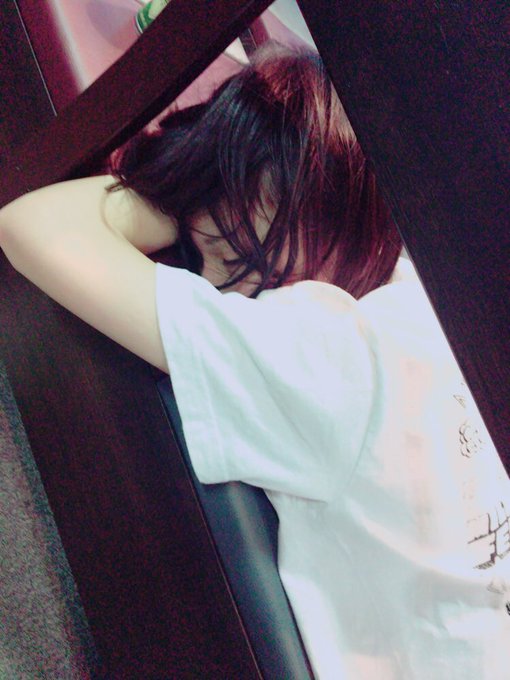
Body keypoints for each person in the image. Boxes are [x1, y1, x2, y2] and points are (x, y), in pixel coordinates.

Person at [1, 44, 509, 679]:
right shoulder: (425, 291)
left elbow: (33, 224)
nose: (215, 285)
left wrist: (175, 193)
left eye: (229, 252)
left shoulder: (322, 354)